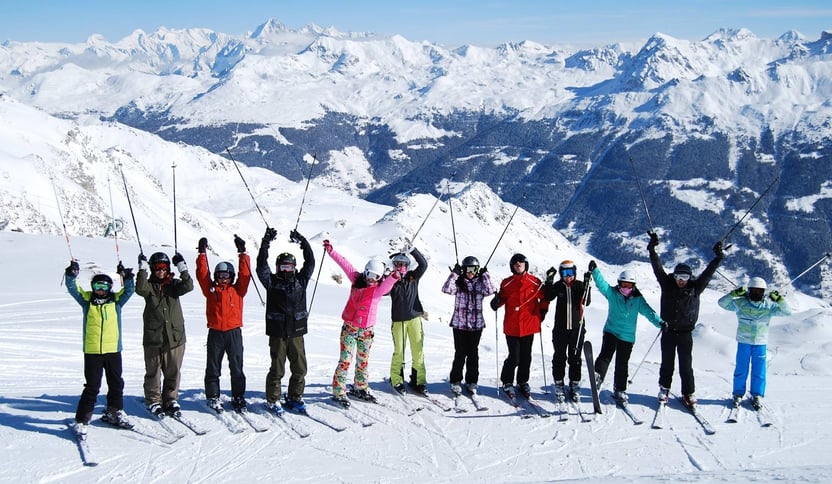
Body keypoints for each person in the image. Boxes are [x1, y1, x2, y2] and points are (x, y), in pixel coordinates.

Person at [648, 232, 724, 407]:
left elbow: (708, 273)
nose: (681, 281)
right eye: (678, 277)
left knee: (685, 366)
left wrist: (718, 258)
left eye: (685, 278)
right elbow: (657, 267)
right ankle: (664, 389)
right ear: (673, 276)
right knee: (667, 363)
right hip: (668, 331)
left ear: (690, 278)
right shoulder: (667, 285)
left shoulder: (695, 288)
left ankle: (688, 393)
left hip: (685, 334)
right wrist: (652, 248)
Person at [325, 239, 399, 407]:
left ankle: (360, 386)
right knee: (345, 359)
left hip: (366, 331)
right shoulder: (356, 280)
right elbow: (345, 264)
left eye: (375, 277)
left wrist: (395, 274)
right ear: (365, 272)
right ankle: (338, 390)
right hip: (350, 328)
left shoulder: (379, 289)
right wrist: (331, 251)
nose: (371, 279)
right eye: (369, 274)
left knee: (363, 360)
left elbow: (389, 283)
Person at [64, 260, 135, 435]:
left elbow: (129, 290)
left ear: (110, 287)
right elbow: (73, 289)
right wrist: (71, 275)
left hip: (113, 350)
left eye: (104, 286)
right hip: (93, 351)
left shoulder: (116, 301)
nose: (100, 290)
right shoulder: (87, 301)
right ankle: (81, 420)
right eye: (97, 286)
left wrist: (126, 277)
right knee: (92, 386)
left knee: (116, 382)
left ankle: (115, 411)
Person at [256, 227, 315, 415]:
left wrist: (303, 241)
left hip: (296, 332)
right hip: (278, 333)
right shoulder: (272, 283)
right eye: (283, 266)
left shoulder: (301, 281)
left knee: (300, 368)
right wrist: (265, 243)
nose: (286, 269)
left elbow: (311, 262)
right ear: (278, 267)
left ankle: (294, 397)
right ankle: (273, 399)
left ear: (294, 267)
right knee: (277, 369)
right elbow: (260, 266)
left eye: (289, 266)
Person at [589, 260, 665, 402]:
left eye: (629, 285)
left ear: (633, 286)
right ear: (619, 284)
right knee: (605, 355)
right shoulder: (612, 293)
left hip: (627, 336)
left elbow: (649, 312)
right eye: (624, 285)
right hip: (611, 330)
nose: (626, 288)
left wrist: (660, 322)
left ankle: (620, 389)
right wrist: (595, 271)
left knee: (622, 363)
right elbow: (602, 285)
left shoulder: (638, 300)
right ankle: (598, 377)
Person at [195, 235, 251, 413]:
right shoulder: (210, 290)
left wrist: (243, 253)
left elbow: (245, 274)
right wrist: (202, 254)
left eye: (226, 276)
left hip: (234, 332)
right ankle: (213, 396)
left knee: (236, 365)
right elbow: (202, 274)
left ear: (232, 276)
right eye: (219, 276)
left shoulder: (238, 290)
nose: (223, 279)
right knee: (213, 366)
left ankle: (238, 396)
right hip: (215, 333)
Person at [135, 251, 194, 417]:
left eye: (164, 267)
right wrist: (142, 269)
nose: (161, 271)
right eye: (157, 268)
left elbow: (188, 286)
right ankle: (153, 400)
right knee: (153, 371)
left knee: (173, 370)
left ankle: (170, 398)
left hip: (175, 337)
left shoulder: (174, 285)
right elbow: (139, 289)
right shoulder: (149, 287)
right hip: (154, 337)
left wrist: (182, 267)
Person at [718, 277, 791, 410]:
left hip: (760, 343)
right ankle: (738, 394)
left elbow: (787, 312)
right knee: (741, 369)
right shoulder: (740, 303)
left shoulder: (769, 306)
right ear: (749, 290)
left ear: (764, 292)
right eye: (754, 290)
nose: (756, 293)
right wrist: (733, 294)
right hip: (744, 342)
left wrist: (780, 300)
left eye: (760, 291)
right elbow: (721, 303)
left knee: (759, 371)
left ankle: (757, 395)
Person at [490, 253, 549, 399]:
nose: (518, 264)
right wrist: (496, 302)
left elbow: (544, 298)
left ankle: (522, 382)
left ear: (525, 265)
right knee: (514, 357)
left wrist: (543, 311)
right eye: (515, 262)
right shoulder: (507, 283)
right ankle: (507, 381)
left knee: (526, 357)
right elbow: (502, 299)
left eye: (521, 262)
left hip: (529, 325)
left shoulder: (535, 282)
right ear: (512, 266)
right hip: (512, 326)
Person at [441, 256, 496, 395]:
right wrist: (454, 274)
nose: (470, 272)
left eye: (473, 269)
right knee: (460, 353)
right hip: (460, 324)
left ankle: (472, 381)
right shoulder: (459, 283)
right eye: (467, 269)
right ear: (463, 269)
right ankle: (455, 380)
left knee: (473, 354)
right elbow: (446, 289)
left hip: (476, 325)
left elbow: (491, 290)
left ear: (477, 270)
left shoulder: (480, 283)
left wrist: (486, 275)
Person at [543, 260, 591, 402]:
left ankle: (574, 384)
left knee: (575, 358)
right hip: (560, 329)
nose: (568, 276)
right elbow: (548, 296)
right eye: (564, 273)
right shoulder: (558, 286)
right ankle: (559, 384)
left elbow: (586, 301)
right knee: (559, 356)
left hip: (577, 328)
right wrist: (549, 281)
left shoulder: (579, 285)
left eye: (570, 273)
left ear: (575, 273)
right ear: (560, 274)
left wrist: (588, 285)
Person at [388, 246, 428, 395]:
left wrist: (413, 250)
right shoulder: (391, 280)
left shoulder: (413, 277)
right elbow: (383, 291)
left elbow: (423, 264)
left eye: (403, 264)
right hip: (399, 321)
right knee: (399, 352)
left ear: (407, 265)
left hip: (415, 319)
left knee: (418, 351)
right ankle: (396, 380)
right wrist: (391, 278)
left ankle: (419, 381)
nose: (400, 267)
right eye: (397, 264)